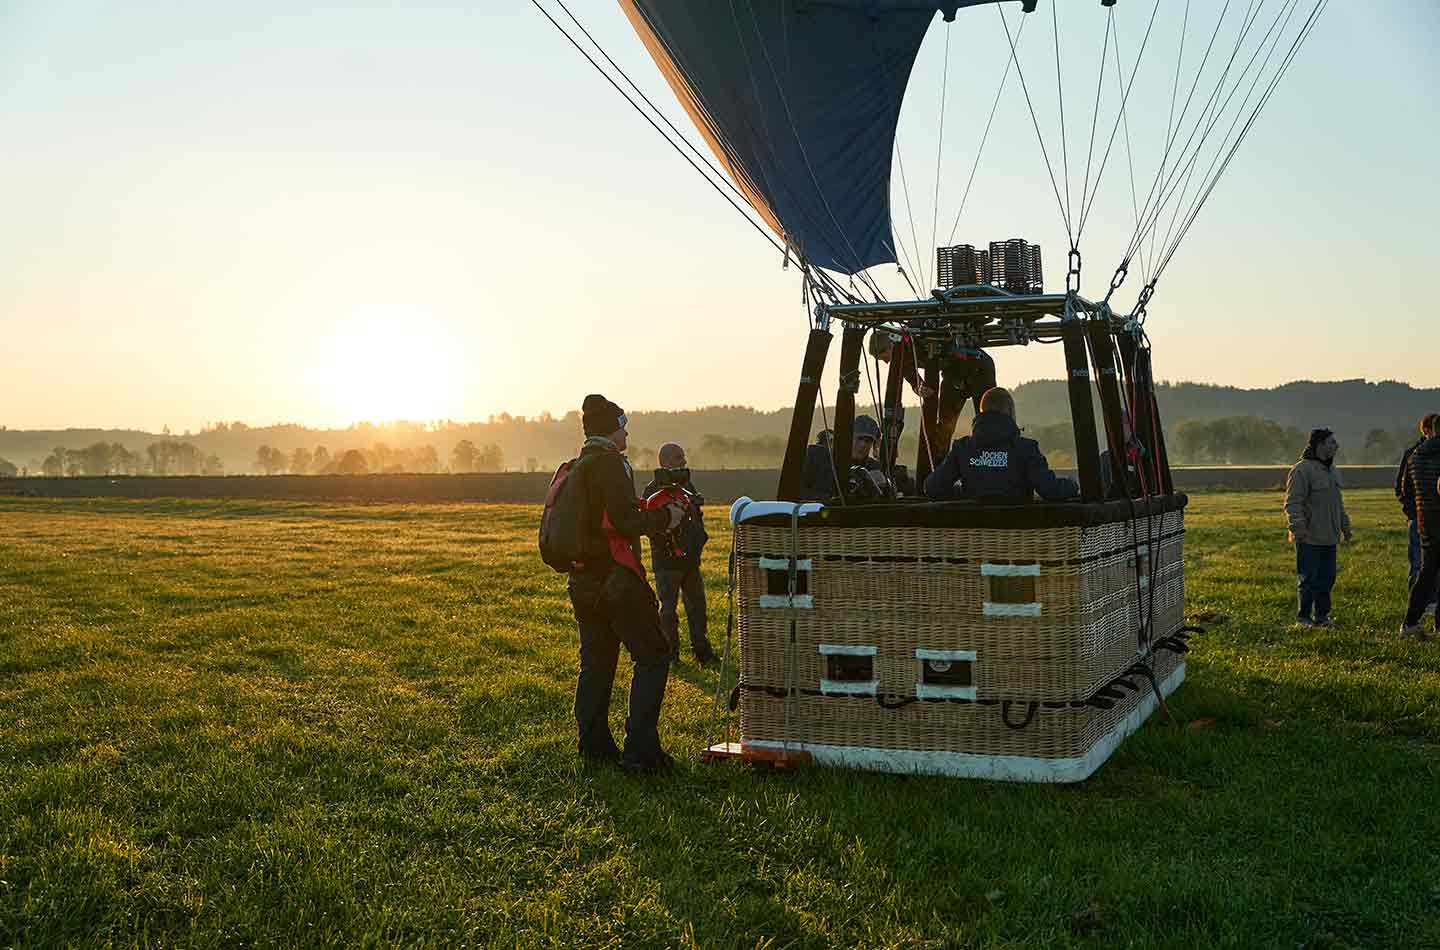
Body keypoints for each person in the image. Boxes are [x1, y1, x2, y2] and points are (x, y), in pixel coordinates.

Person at [567, 394, 685, 772]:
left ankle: (594, 745)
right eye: (623, 424)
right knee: (653, 656)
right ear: (611, 429)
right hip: (616, 580)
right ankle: (641, 752)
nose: (627, 431)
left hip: (582, 581)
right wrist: (665, 519)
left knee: (597, 664)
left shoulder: (578, 466)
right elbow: (624, 523)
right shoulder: (611, 465)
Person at [870, 332, 997, 477]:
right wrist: (920, 387)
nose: (886, 362)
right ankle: (939, 472)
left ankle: (993, 468)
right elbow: (911, 377)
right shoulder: (901, 358)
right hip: (954, 375)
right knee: (943, 428)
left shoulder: (915, 340)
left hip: (979, 368)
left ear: (891, 345)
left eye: (884, 357)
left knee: (987, 424)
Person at [923, 387, 1079, 501]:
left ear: (981, 413)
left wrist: (961, 493)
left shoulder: (962, 448)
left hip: (973, 538)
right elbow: (1050, 490)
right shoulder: (1026, 449)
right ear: (1011, 412)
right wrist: (1073, 485)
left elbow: (933, 488)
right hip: (1020, 537)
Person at [642, 443, 717, 665]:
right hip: (666, 562)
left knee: (698, 608)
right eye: (678, 458)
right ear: (664, 461)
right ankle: (671, 654)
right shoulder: (652, 491)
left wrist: (698, 540)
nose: (683, 461)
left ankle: (702, 652)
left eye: (683, 457)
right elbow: (649, 526)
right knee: (668, 611)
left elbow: (696, 518)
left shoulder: (688, 486)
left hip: (690, 561)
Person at [1284, 428, 1352, 629]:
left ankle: (1322, 618)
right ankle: (1303, 619)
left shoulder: (1332, 470)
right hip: (1309, 537)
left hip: (1330, 537)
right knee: (1308, 580)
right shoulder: (1301, 470)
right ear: (1319, 445)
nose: (1336, 446)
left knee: (1327, 579)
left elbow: (1337, 503)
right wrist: (1298, 529)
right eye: (1331, 443)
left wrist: (1345, 526)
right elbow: (1293, 503)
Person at [1399, 424, 1440, 639]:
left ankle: (1410, 623)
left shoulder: (1415, 456)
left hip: (1426, 522)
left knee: (1426, 574)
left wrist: (1416, 513)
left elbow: (1406, 490)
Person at [801, 415, 887, 501]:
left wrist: (883, 488)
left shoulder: (873, 468)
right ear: (848, 437)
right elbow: (797, 490)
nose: (863, 445)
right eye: (859, 438)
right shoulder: (819, 459)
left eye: (868, 441)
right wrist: (829, 500)